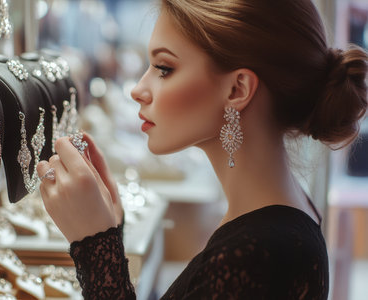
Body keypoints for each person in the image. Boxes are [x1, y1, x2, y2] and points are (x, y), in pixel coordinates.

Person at [37, 0, 368, 299]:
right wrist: (111, 232)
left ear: (237, 88)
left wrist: (96, 246)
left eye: (164, 68)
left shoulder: (255, 256)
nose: (138, 89)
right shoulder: (275, 218)